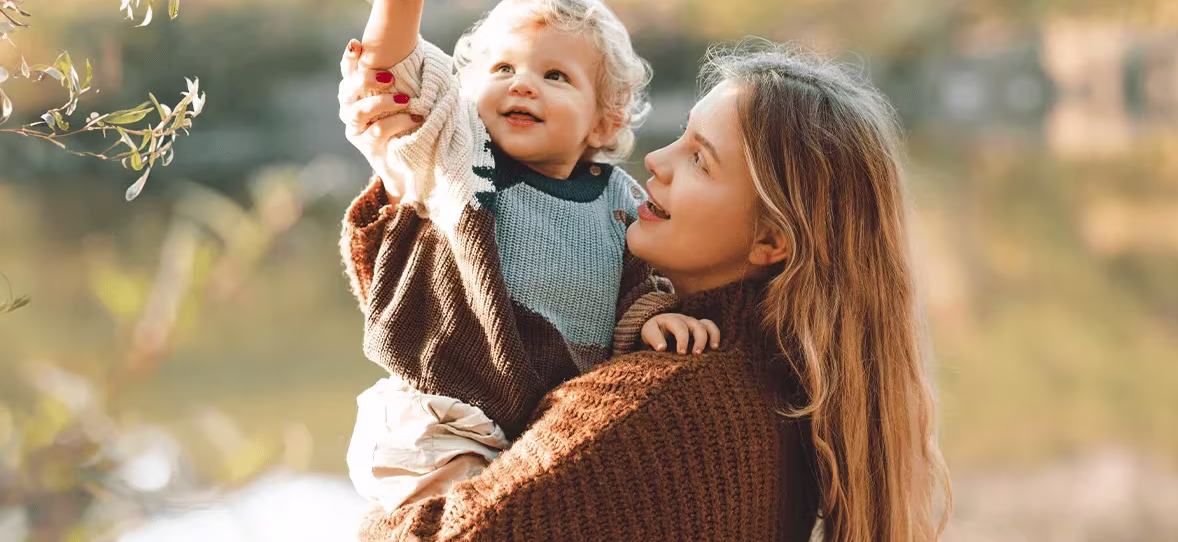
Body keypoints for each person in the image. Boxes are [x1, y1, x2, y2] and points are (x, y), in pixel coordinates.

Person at [338, 38, 953, 540]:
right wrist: (412, 189)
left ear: (772, 239)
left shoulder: (654, 405)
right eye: (680, 135)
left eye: (700, 160)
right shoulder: (778, 384)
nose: (657, 160)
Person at [337, 0, 712, 510]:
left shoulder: (619, 200)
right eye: (503, 69)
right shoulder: (456, 157)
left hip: (535, 429)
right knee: (468, 521)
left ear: (605, 118)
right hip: (440, 419)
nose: (523, 85)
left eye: (555, 76)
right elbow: (395, 77)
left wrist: (654, 320)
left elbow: (640, 285)